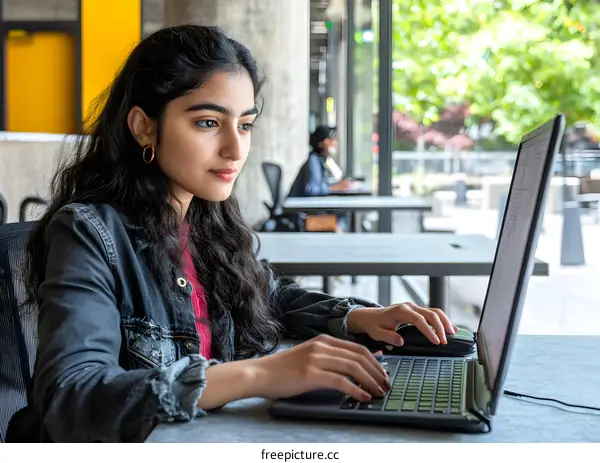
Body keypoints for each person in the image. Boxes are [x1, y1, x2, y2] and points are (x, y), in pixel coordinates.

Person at [6, 25, 457, 443]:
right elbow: (71, 397)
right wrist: (261, 374)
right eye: (208, 122)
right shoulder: (89, 232)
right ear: (144, 126)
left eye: (245, 124)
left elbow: (265, 293)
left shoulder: (204, 221)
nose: (235, 148)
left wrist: (357, 318)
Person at [288, 126, 353, 197]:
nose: (334, 143)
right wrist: (335, 188)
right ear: (320, 144)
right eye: (329, 140)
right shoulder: (313, 161)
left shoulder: (324, 160)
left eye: (334, 140)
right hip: (299, 206)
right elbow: (312, 189)